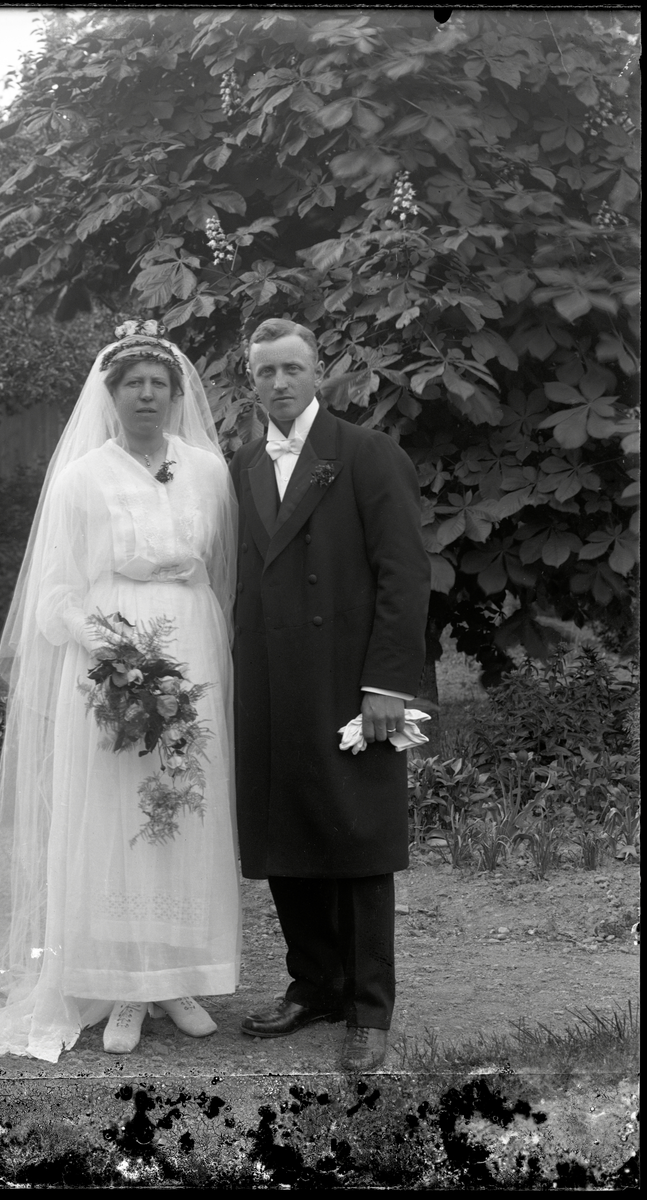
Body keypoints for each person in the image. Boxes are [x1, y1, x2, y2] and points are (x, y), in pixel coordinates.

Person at [0, 320, 241, 1066]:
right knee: (116, 811)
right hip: (113, 655)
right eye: (133, 384)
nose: (147, 395)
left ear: (178, 396)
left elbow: (222, 571)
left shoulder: (208, 471)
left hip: (193, 641)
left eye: (160, 384)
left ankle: (176, 977)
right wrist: (112, 648)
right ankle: (122, 986)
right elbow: (54, 594)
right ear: (111, 394)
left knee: (184, 803)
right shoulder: (83, 478)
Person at [229, 318, 431, 1072]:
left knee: (357, 835)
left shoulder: (367, 453)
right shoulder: (246, 462)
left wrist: (387, 684)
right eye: (265, 372)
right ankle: (314, 983)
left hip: (350, 679)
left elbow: (405, 574)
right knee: (286, 831)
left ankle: (369, 1008)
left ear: (319, 373)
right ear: (251, 382)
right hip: (271, 679)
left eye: (292, 368)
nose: (279, 383)